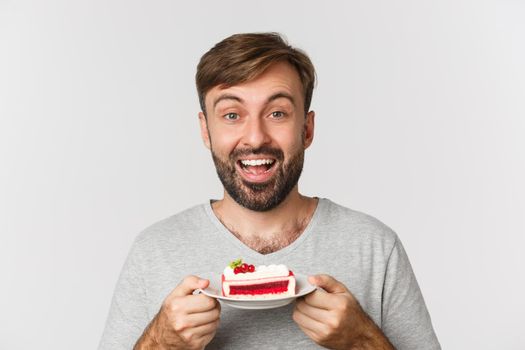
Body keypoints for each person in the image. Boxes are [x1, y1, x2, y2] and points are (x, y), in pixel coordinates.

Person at [99, 32, 441, 350]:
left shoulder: (375, 247)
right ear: (206, 131)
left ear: (306, 129)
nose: (255, 137)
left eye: (277, 113)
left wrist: (362, 341)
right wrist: (159, 343)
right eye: (232, 115)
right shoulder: (154, 251)